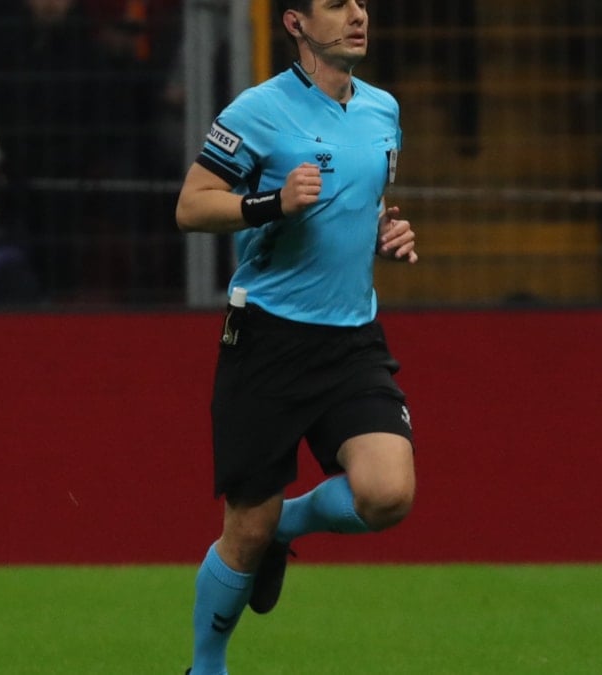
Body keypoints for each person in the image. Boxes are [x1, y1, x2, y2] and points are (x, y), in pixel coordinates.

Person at [173, 1, 418, 673]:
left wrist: (384, 232)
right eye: (336, 4)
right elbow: (190, 206)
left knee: (388, 493)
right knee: (244, 529)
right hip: (268, 338)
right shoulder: (258, 110)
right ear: (295, 23)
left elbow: (361, 202)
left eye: (361, 2)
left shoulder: (383, 110)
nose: (358, 14)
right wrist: (270, 203)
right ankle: (206, 665)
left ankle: (290, 522)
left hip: (351, 338)